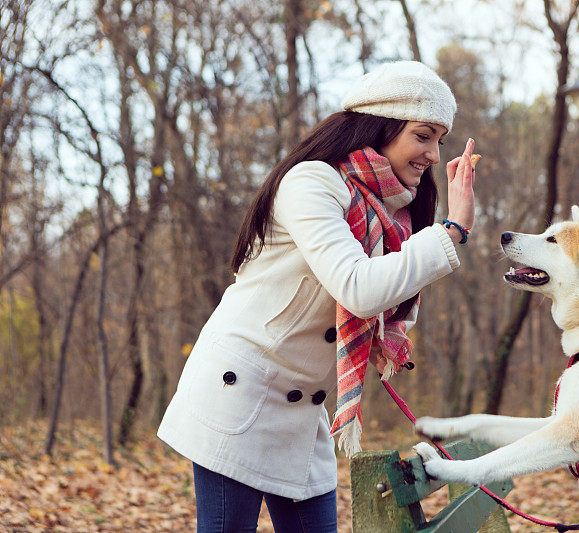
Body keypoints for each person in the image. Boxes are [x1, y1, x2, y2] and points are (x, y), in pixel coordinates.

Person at [157, 60, 477, 532]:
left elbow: (383, 287)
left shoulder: (392, 212)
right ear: (381, 125)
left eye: (440, 141)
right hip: (240, 392)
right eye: (423, 135)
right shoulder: (312, 182)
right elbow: (358, 287)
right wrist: (451, 232)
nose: (432, 153)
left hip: (306, 416)